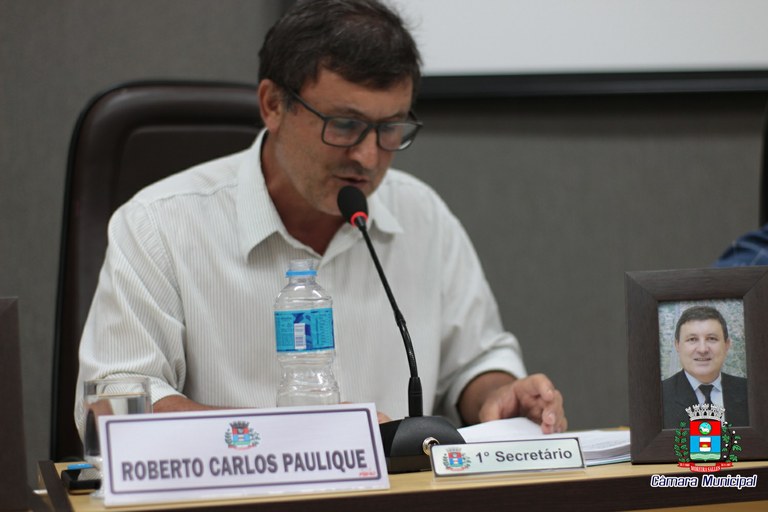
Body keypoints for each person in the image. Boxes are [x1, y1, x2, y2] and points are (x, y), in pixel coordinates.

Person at [75, 0, 566, 438]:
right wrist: (294, 437)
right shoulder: (160, 224)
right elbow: (112, 407)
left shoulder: (423, 217)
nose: (368, 157)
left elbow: (476, 360)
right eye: (345, 125)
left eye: (390, 128)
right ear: (273, 105)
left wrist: (497, 393)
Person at [661, 306, 748, 428]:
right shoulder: (657, 397)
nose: (703, 349)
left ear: (727, 345)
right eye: (692, 339)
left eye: (712, 339)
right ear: (677, 345)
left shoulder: (751, 392)